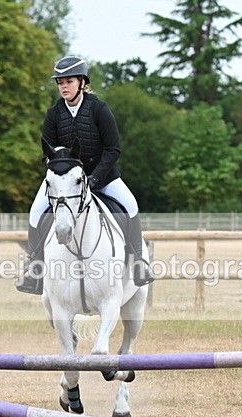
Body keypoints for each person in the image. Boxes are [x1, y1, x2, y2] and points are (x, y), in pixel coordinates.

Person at [16, 55, 155, 294]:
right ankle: (35, 268)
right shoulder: (53, 114)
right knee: (36, 210)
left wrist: (94, 179)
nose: (63, 87)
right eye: (60, 83)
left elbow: (113, 149)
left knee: (130, 205)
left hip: (102, 176)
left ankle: (138, 263)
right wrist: (63, 173)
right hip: (66, 181)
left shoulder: (99, 109)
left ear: (82, 82)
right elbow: (47, 152)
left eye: (68, 81)